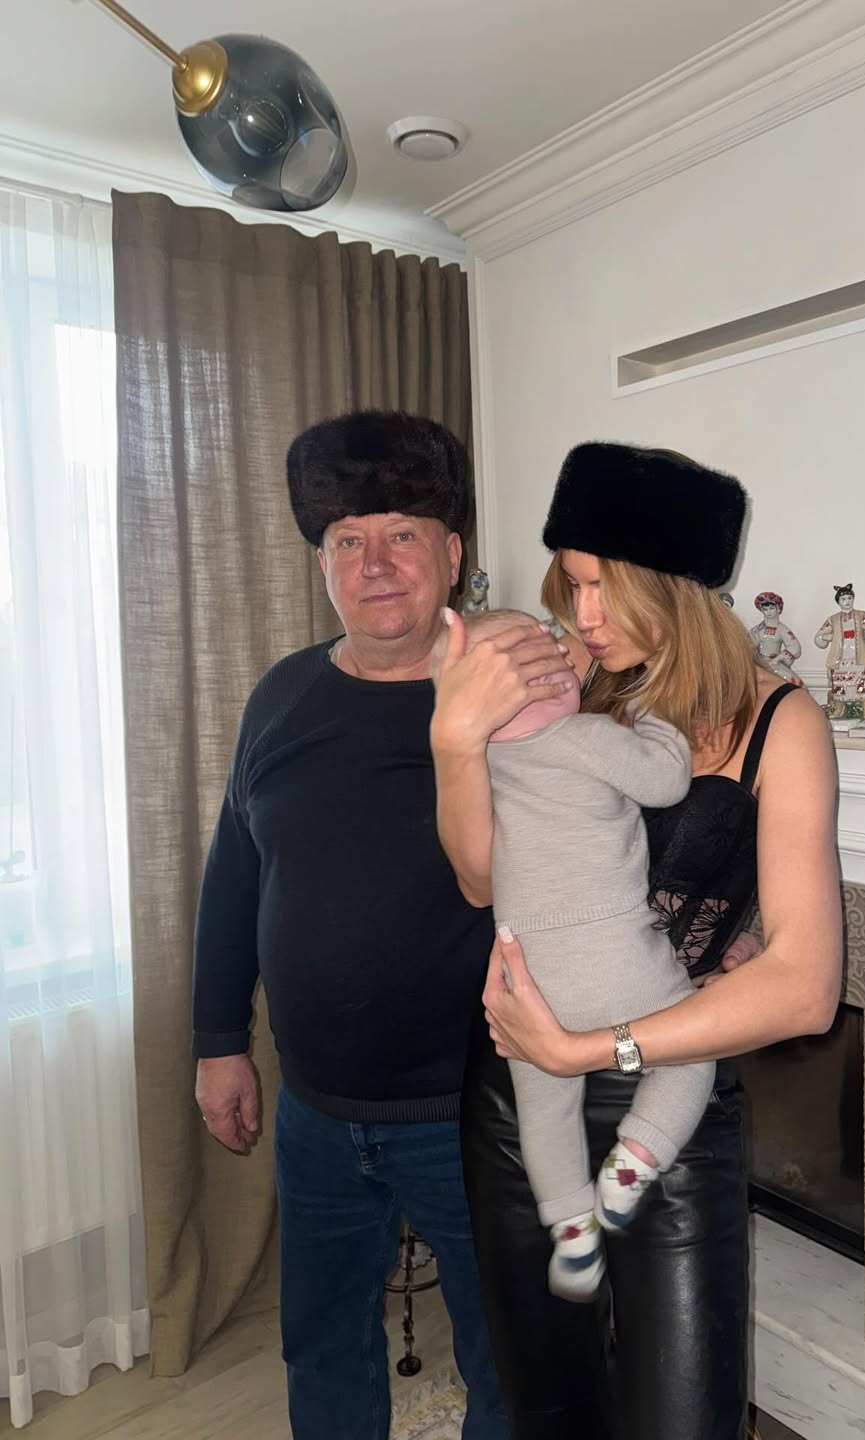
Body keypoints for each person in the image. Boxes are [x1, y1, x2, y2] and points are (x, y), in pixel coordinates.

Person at [431, 441, 842, 1440]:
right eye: (571, 585)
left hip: (669, 1096)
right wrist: (454, 740)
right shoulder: (576, 689)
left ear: (680, 589)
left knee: (681, 1417)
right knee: (553, 1411)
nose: (581, 617)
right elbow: (480, 878)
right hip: (520, 1093)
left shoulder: (781, 723)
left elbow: (807, 988)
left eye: (603, 588)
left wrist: (592, 1049)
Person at [191, 410, 576, 1440]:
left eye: (402, 533)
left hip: (476, 1110)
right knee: (320, 1349)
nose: (375, 564)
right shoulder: (282, 695)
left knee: (509, 1361)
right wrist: (219, 1042)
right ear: (321, 563)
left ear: (452, 553)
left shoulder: (521, 696)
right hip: (316, 1113)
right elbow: (234, 875)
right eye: (347, 540)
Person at [432, 608, 714, 1303]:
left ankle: (571, 1228)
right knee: (692, 1048)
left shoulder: (485, 764)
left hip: (526, 980)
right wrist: (652, 717)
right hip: (617, 961)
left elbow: (474, 872)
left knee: (544, 1104)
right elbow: (666, 781)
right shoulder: (587, 737)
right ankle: (635, 1160)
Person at [813, 583, 865, 720]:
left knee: (863, 682)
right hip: (840, 656)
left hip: (860, 655)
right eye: (843, 599)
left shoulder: (862, 615)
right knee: (840, 683)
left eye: (849, 598)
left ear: (853, 599)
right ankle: (838, 708)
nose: (846, 601)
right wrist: (824, 637)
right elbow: (818, 637)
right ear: (838, 602)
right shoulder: (833, 619)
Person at [749, 591, 803, 686]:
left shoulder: (782, 629)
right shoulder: (756, 629)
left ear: (778, 609)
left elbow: (795, 647)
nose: (768, 612)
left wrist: (778, 659)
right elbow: (748, 645)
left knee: (794, 683)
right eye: (765, 609)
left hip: (774, 663)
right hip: (758, 663)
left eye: (771, 608)